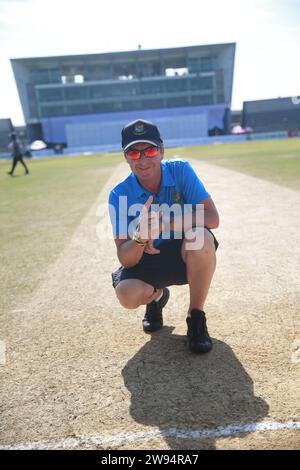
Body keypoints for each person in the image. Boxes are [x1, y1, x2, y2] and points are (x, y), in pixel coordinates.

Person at [108, 119, 219, 354]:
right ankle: (155, 298)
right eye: (134, 153)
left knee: (201, 238)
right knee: (126, 294)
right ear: (126, 157)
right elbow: (125, 259)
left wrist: (164, 223)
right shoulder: (119, 195)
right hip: (148, 258)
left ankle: (195, 318)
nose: (143, 159)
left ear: (161, 151)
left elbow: (212, 218)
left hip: (184, 253)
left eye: (149, 150)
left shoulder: (181, 170)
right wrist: (140, 237)